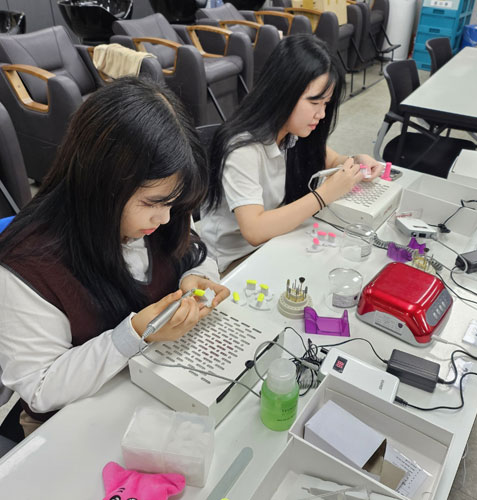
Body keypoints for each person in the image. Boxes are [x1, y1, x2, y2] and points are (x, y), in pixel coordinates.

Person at [0, 78, 229, 434]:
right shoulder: (29, 265)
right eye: (153, 203)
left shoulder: (163, 209)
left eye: (173, 203)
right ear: (101, 182)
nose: (165, 217)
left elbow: (194, 252)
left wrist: (196, 278)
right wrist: (134, 334)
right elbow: (41, 387)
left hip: (156, 385)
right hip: (74, 420)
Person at [200, 35, 384, 273]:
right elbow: (254, 230)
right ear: (283, 92)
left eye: (326, 104)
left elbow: (331, 160)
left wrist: (354, 161)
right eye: (315, 103)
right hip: (231, 262)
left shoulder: (293, 133)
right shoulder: (243, 148)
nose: (321, 114)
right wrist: (324, 194)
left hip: (275, 242)